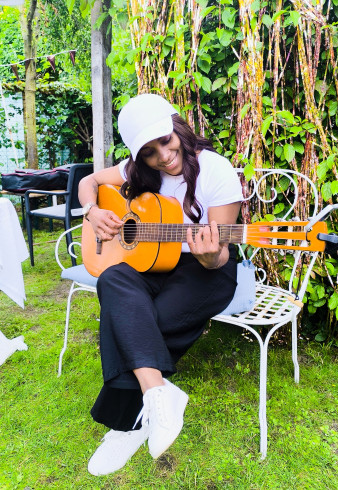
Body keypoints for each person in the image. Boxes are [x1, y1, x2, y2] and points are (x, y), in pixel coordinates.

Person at [78, 93, 243, 476]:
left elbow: (219, 255)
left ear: (178, 128)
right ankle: (157, 394)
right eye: (149, 153)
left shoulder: (215, 170)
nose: (164, 157)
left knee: (136, 321)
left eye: (166, 142)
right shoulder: (137, 171)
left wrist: (209, 255)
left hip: (207, 269)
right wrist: (92, 211)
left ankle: (127, 425)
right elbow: (90, 181)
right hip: (154, 262)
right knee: (113, 277)